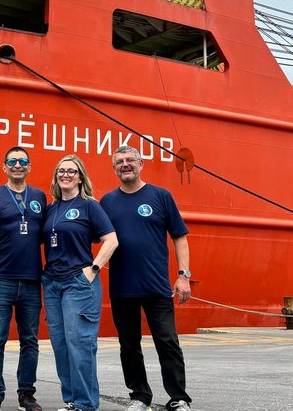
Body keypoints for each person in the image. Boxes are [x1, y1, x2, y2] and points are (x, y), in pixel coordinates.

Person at [100, 146, 192, 411]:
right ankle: (139, 396)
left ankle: (178, 397)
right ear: (114, 167)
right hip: (121, 287)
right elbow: (96, 236)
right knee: (128, 346)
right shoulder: (107, 201)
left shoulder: (160, 196)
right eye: (120, 162)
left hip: (156, 287)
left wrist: (183, 275)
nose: (125, 165)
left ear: (141, 164)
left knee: (168, 343)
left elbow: (179, 236)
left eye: (130, 160)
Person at [42, 154, 118, 411]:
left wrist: (94, 269)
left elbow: (111, 239)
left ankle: (86, 404)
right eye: (61, 171)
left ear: (80, 176)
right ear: (56, 177)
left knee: (80, 344)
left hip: (78, 283)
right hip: (52, 283)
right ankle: (72, 400)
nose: (65, 174)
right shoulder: (51, 208)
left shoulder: (89, 205)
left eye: (71, 171)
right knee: (61, 345)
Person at [0, 147, 47, 411]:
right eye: (12, 161)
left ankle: (26, 394)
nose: (17, 165)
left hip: (31, 280)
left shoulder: (39, 197)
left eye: (22, 161)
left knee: (30, 340)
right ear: (4, 167)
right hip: (0, 279)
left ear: (30, 166)